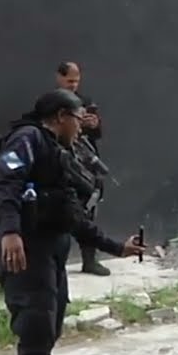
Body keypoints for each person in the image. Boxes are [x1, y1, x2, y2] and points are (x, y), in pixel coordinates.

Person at [0, 89, 146, 355]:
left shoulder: (57, 151)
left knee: (50, 325)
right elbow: (5, 184)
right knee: (36, 331)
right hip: (26, 255)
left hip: (50, 253)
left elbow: (71, 215)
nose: (81, 125)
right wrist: (10, 231)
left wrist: (118, 247)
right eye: (78, 118)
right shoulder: (27, 139)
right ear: (60, 116)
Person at [55, 61, 111, 276]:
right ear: (59, 78)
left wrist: (94, 124)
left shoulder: (86, 102)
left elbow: (98, 135)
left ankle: (90, 260)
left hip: (86, 167)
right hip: (63, 164)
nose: (73, 85)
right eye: (69, 81)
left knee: (88, 212)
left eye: (76, 81)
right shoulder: (51, 104)